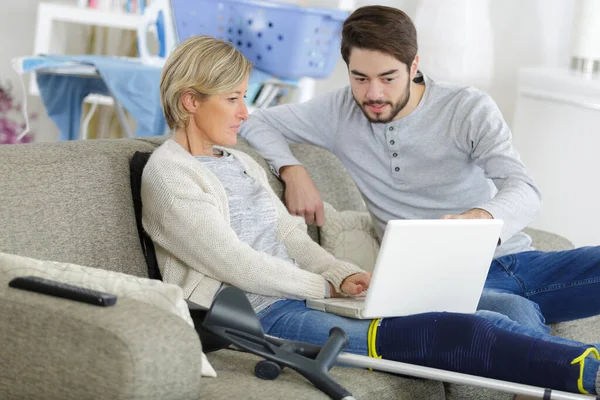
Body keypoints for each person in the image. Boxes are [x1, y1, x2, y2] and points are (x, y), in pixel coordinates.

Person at [141, 35, 600, 395]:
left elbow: (289, 234)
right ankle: (591, 373)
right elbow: (233, 262)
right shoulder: (168, 175)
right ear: (190, 101)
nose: (246, 112)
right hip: (260, 312)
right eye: (233, 99)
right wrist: (323, 286)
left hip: (303, 294)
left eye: (245, 97)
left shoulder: (237, 161)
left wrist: (341, 273)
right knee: (454, 330)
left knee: (504, 307)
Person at [239, 5, 600, 346]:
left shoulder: (466, 107)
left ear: (414, 66)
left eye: (388, 77)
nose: (373, 93)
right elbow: (257, 121)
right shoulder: (338, 112)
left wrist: (481, 217)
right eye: (360, 78)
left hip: (515, 260)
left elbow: (523, 187)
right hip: (437, 280)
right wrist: (292, 169)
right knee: (516, 311)